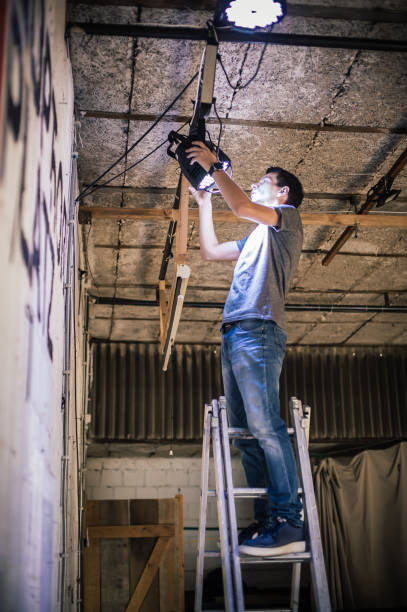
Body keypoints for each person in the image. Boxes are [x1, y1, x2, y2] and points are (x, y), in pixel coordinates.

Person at [187, 140, 305, 556]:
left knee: (265, 426)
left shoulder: (285, 220)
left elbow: (239, 206)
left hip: (259, 331)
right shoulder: (257, 235)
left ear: (282, 193)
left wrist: (216, 167)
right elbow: (210, 251)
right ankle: (267, 520)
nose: (256, 185)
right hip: (236, 333)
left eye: (264, 182)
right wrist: (204, 202)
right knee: (246, 437)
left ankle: (290, 519)